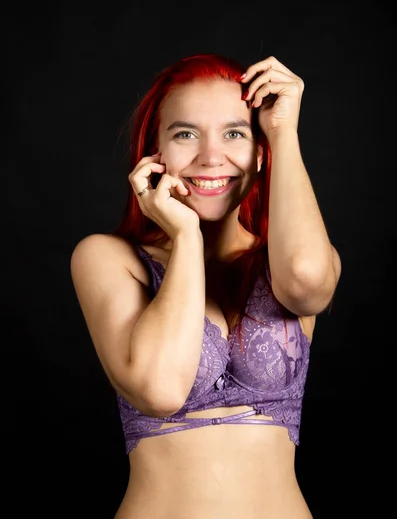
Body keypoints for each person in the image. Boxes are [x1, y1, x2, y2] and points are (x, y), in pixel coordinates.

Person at [70, 53, 342, 518]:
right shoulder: (105, 258)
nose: (211, 157)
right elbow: (160, 390)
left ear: (259, 152)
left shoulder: (285, 258)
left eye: (235, 133)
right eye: (185, 134)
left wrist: (283, 132)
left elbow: (307, 285)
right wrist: (186, 237)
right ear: (153, 152)